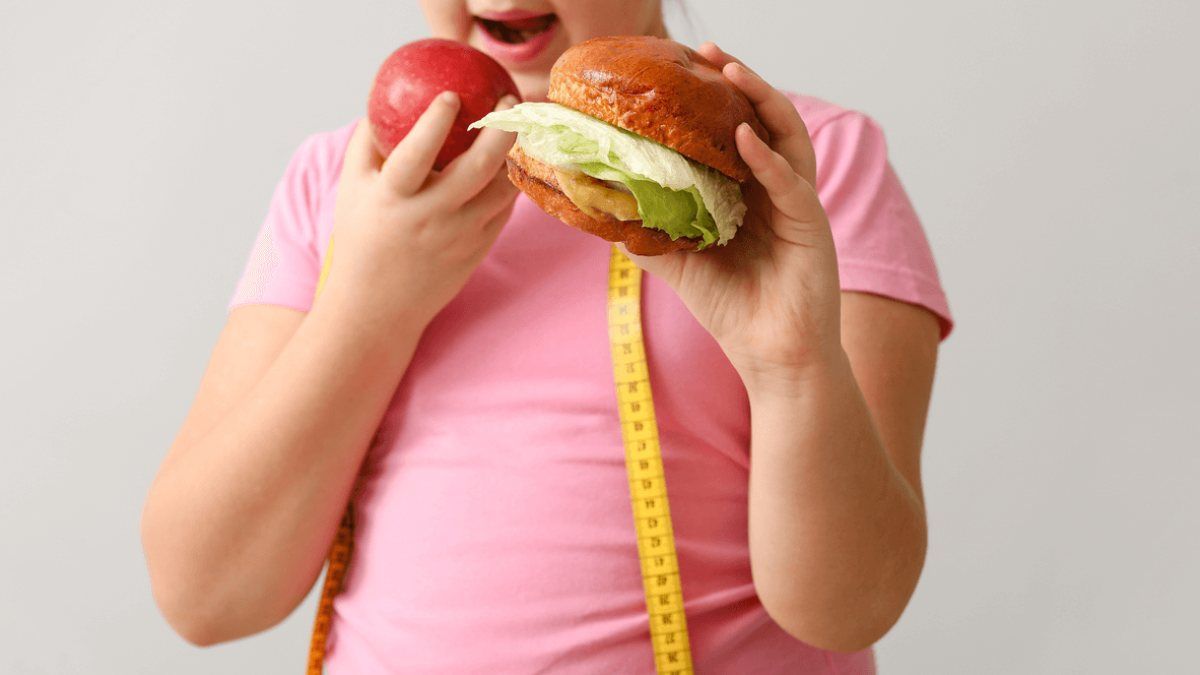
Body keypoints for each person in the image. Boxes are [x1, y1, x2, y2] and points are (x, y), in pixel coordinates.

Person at [141, 1, 954, 672]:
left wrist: (792, 364)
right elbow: (205, 597)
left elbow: (852, 606)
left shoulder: (790, 178)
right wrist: (365, 306)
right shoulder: (338, 185)